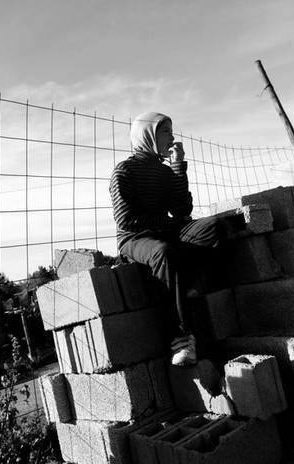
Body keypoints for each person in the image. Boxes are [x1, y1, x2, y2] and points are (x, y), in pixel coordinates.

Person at [109, 111, 225, 366]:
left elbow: (183, 209)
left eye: (171, 131)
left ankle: (191, 285)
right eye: (166, 131)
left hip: (165, 232)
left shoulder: (163, 171)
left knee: (214, 227)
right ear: (147, 134)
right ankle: (183, 337)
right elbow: (126, 221)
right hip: (135, 238)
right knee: (163, 252)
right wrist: (174, 224)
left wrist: (178, 167)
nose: (172, 137)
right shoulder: (124, 171)